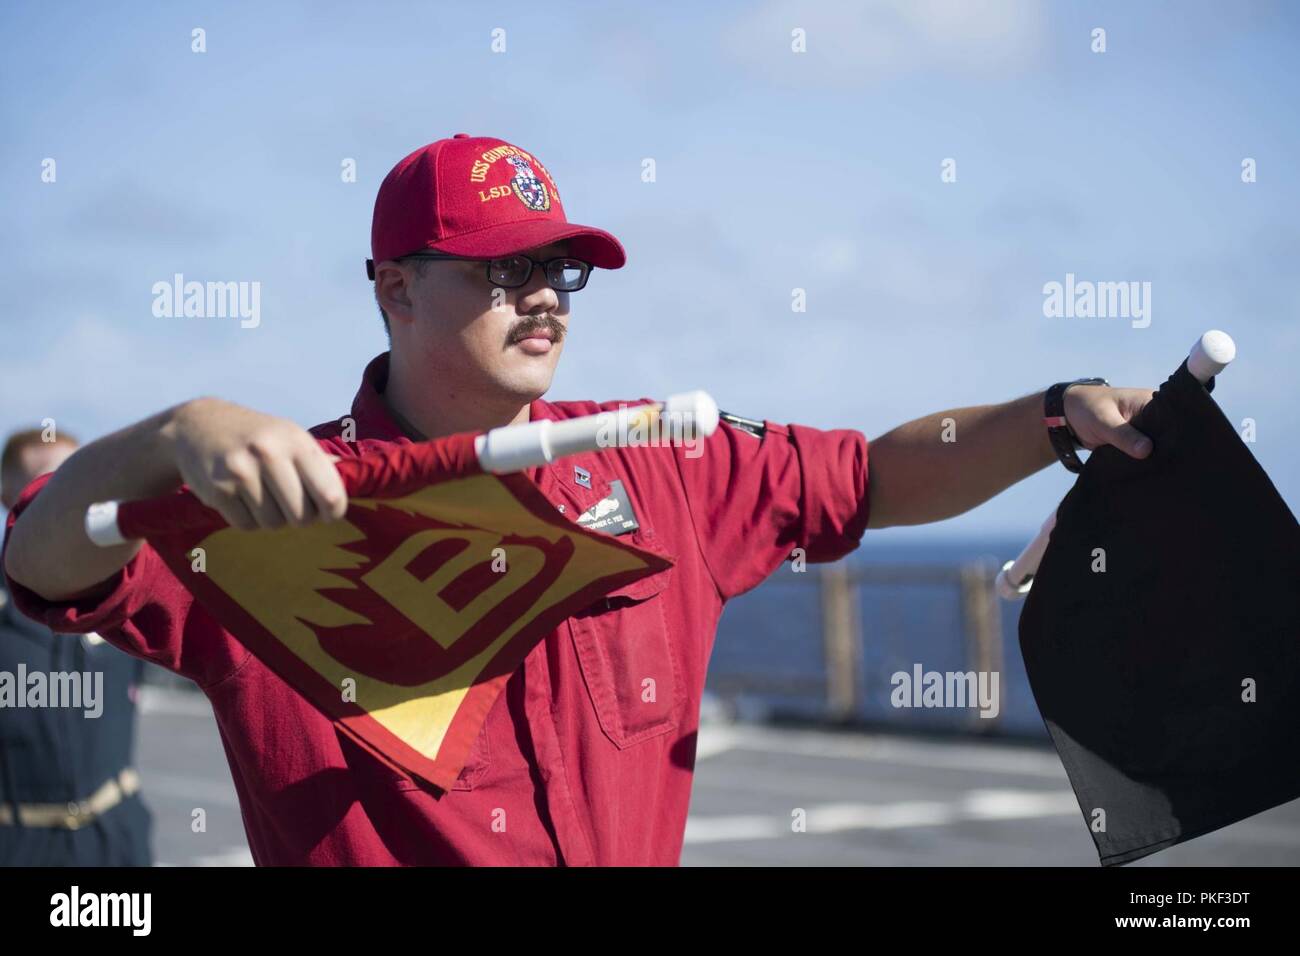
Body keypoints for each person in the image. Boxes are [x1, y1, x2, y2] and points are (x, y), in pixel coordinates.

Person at [1, 134, 1156, 865]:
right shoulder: (270, 504)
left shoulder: (661, 463)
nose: (547, 298)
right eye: (505, 270)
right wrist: (172, 431)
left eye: (562, 270)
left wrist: (1055, 415)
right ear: (396, 289)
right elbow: (41, 559)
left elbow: (875, 473)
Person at [0, 429, 152, 866]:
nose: (61, 495)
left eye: (73, 479)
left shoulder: (124, 592)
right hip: (22, 845)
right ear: (10, 496)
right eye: (43, 482)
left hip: (118, 838)